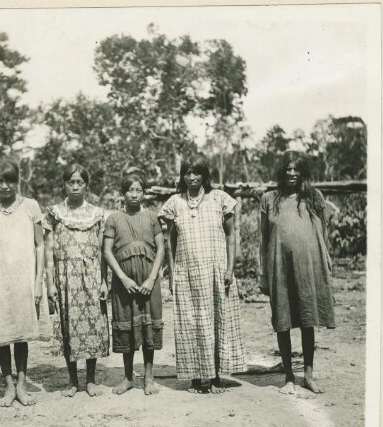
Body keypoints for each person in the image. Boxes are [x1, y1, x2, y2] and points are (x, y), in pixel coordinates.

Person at [158, 154, 246, 394]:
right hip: (186, 273)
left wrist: (230, 269)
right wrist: (173, 273)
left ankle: (216, 377)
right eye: (187, 173)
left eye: (196, 172)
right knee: (191, 323)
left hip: (216, 271)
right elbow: (170, 243)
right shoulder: (174, 202)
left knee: (217, 320)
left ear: (205, 175)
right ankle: (197, 378)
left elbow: (230, 236)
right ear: (182, 176)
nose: (192, 177)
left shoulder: (219, 199)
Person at [260, 151, 335, 394]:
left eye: (296, 169)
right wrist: (263, 273)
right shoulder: (269, 199)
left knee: (307, 319)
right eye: (288, 169)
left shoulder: (314, 197)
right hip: (279, 266)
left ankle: (309, 375)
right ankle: (289, 378)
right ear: (282, 172)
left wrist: (326, 264)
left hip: (307, 268)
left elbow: (322, 236)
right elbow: (264, 239)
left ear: (303, 172)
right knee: (282, 321)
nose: (292, 173)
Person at [0, 160, 44, 407]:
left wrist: (38, 282)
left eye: (9, 181)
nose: (4, 186)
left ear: (17, 181)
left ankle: (22, 386)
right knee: (2, 334)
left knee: (21, 335)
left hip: (23, 279)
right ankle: (8, 387)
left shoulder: (31, 206)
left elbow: (40, 245)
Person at [44, 164, 110, 398]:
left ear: (86, 185)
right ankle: (72, 381)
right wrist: (50, 283)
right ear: (64, 184)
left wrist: (104, 281)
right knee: (67, 325)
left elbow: (103, 250)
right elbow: (48, 250)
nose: (74, 187)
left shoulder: (97, 213)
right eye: (70, 182)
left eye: (79, 183)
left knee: (92, 324)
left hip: (91, 275)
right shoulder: (54, 212)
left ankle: (90, 379)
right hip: (64, 276)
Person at [103, 173, 165, 395]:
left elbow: (161, 249)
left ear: (144, 193)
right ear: (123, 193)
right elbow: (107, 251)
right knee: (125, 327)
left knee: (149, 328)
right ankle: (128, 377)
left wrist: (151, 278)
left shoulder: (151, 217)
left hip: (149, 282)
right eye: (130, 190)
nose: (134, 194)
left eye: (139, 190)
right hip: (124, 284)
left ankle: (149, 377)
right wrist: (122, 277)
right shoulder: (113, 219)